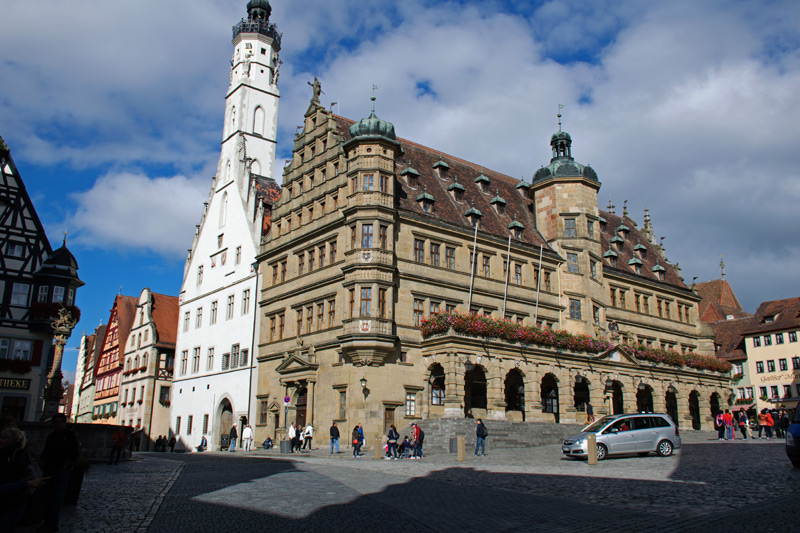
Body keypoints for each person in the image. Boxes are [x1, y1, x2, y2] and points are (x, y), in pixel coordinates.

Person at [39, 413, 79, 533]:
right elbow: (46, 451)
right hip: (49, 468)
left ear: (64, 423)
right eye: (55, 422)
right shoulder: (52, 436)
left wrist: (65, 466)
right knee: (46, 497)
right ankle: (46, 522)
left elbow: (74, 452)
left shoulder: (70, 435)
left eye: (60, 422)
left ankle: (52, 524)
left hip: (61, 470)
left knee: (57, 497)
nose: (57, 424)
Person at [0, 427, 38, 532]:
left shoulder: (19, 454)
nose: (1, 440)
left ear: (13, 440)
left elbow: (16, 474)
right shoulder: (3, 453)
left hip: (14, 498)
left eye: (4, 438)